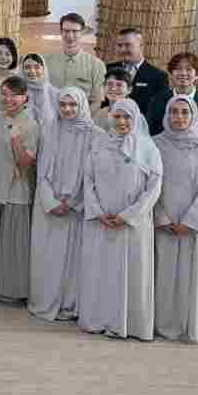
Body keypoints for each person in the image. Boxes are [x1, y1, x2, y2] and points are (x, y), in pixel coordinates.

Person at [78, 100, 163, 341]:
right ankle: (98, 320)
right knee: (100, 271)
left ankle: (129, 324)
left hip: (132, 225)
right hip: (101, 222)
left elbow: (154, 187)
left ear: (136, 119)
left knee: (130, 274)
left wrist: (128, 215)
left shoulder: (148, 148)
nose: (122, 122)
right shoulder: (99, 144)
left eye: (127, 117)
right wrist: (98, 211)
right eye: (117, 117)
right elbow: (88, 180)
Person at [151, 95, 198, 343]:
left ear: (194, 115)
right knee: (164, 273)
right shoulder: (155, 145)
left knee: (193, 273)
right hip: (165, 221)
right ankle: (162, 322)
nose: (179, 117)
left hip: (195, 223)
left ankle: (190, 323)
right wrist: (161, 216)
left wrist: (191, 221)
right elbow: (148, 184)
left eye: (184, 112)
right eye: (174, 111)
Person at [29, 87, 102, 322]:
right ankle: (48, 300)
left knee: (74, 260)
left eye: (72, 104)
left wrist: (72, 202)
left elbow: (94, 175)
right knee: (49, 257)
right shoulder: (50, 130)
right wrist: (51, 201)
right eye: (62, 104)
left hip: (78, 208)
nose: (67, 109)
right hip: (50, 206)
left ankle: (70, 304)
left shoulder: (95, 134)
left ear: (82, 105)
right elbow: (42, 171)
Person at [0, 77, 39, 305]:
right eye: (5, 93)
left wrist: (16, 140)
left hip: (16, 191)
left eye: (15, 94)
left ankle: (13, 290)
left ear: (25, 97)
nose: (9, 99)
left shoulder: (31, 124)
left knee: (13, 244)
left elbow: (26, 165)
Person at [43, 14, 106, 114]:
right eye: (66, 31)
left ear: (83, 32)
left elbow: (97, 101)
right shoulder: (46, 62)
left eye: (75, 31)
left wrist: (82, 120)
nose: (70, 36)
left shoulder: (96, 65)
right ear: (61, 32)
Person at [109, 28, 170, 114]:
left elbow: (159, 110)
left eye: (127, 45)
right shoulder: (108, 69)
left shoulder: (158, 76)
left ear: (141, 46)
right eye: (119, 45)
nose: (122, 49)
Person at [146, 52, 198, 137]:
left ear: (197, 75)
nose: (183, 73)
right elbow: (150, 132)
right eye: (178, 69)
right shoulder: (157, 101)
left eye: (188, 69)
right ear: (171, 74)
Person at [21, 54, 58, 125]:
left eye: (37, 67)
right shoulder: (18, 92)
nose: (32, 71)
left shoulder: (55, 93)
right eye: (27, 67)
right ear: (22, 70)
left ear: (43, 69)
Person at [94, 69, 135, 133]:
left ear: (129, 90)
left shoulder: (132, 114)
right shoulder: (100, 113)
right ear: (103, 87)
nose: (113, 88)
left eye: (119, 85)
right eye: (110, 84)